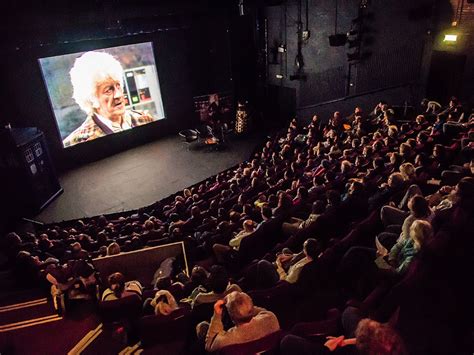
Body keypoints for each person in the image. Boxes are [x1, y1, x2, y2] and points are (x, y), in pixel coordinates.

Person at [63, 51, 155, 147]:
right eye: (108, 90)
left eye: (118, 86)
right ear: (92, 98)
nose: (118, 95)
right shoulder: (76, 143)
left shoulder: (145, 119)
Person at [197, 291, 280, 352]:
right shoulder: (271, 319)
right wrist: (243, 303)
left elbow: (209, 345)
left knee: (202, 327)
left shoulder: (224, 341)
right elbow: (253, 310)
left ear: (232, 318)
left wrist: (217, 314)